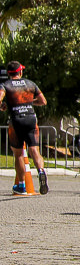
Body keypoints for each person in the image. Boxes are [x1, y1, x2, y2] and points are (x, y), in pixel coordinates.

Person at [0, 61, 48, 195]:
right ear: (20, 72)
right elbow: (43, 101)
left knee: (19, 153)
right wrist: (28, 102)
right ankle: (41, 171)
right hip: (31, 118)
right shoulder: (30, 83)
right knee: (34, 149)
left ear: (9, 73)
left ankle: (21, 185)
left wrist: (3, 106)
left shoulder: (5, 85)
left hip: (16, 120)